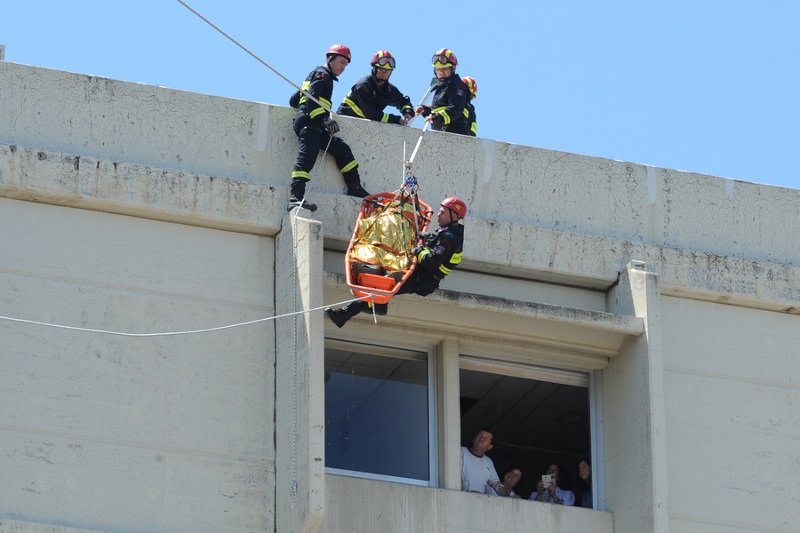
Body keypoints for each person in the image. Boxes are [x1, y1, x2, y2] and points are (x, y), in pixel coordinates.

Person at [326, 196, 467, 327]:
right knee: (385, 274)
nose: (438, 215)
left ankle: (345, 314)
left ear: (454, 216)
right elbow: (437, 249)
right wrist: (429, 238)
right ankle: (378, 302)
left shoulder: (450, 238)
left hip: (423, 279)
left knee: (385, 286)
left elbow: (432, 261)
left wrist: (419, 250)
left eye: (442, 212)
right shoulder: (448, 233)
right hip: (420, 273)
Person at [288, 44, 370, 212]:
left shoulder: (318, 76)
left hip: (316, 125)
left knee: (342, 150)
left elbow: (294, 100)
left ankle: (354, 187)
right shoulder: (322, 76)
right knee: (307, 159)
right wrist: (325, 119)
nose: (343, 68)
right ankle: (295, 198)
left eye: (346, 65)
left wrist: (322, 121)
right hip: (310, 124)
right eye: (341, 62)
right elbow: (312, 101)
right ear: (330, 59)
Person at [337, 50, 415, 125]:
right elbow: (371, 114)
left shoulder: (388, 90)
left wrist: (407, 110)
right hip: (344, 122)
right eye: (381, 69)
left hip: (364, 127)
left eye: (387, 70)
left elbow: (403, 101)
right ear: (374, 69)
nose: (384, 73)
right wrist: (395, 119)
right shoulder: (363, 86)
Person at [415, 48, 469, 135]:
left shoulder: (458, 86)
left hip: (455, 134)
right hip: (440, 134)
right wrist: (424, 110)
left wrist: (436, 118)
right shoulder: (441, 87)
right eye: (438, 69)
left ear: (453, 68)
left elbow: (455, 110)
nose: (441, 71)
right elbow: (439, 110)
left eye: (444, 68)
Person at [460, 430, 509, 496]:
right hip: (461, 496)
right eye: (480, 435)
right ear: (474, 439)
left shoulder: (488, 461)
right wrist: (467, 492)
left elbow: (495, 482)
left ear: (490, 447)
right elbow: (454, 474)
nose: (482, 438)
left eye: (486, 438)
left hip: (480, 499)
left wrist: (504, 492)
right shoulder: (461, 451)